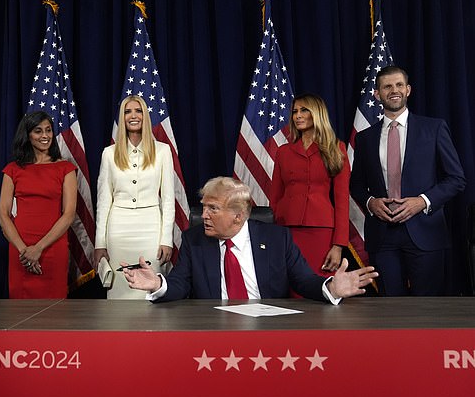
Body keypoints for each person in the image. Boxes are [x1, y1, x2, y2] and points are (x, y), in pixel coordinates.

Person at [122, 177, 377, 303]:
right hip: (213, 329)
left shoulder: (277, 238)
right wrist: (158, 284)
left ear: (238, 216)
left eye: (213, 209)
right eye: (203, 208)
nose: (204, 216)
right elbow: (179, 284)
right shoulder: (194, 240)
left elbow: (304, 280)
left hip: (268, 328)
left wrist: (330, 288)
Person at [350, 66, 465, 296]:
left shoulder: (433, 129)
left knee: (428, 311)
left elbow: (456, 179)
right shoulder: (364, 138)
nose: (394, 90)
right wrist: (371, 202)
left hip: (426, 231)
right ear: (377, 94)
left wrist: (422, 201)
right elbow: (357, 185)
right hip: (382, 237)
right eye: (387, 86)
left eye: (399, 85)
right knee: (390, 312)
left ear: (408, 90)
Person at [94, 95, 175, 299]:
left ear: (145, 116)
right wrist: (99, 243)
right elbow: (104, 202)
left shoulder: (163, 151)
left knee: (150, 285)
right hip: (118, 229)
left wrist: (167, 239)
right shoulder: (109, 153)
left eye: (138, 111)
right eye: (127, 111)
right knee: (120, 286)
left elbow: (167, 199)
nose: (133, 116)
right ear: (122, 118)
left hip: (151, 228)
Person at [270, 93, 350, 283]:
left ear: (317, 114)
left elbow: (342, 201)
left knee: (318, 287)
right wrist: (273, 234)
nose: (298, 115)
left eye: (304, 110)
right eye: (295, 111)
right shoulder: (283, 152)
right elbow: (275, 198)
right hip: (286, 230)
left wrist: (338, 245)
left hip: (321, 231)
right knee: (288, 288)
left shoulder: (336, 148)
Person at [0, 111, 78, 298]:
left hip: (52, 246)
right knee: (20, 309)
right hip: (20, 247)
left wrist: (38, 248)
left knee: (54, 309)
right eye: (38, 131)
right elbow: (3, 215)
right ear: (27, 135)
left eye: (48, 130)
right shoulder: (12, 169)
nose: (45, 136)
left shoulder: (65, 168)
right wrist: (24, 251)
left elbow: (68, 215)